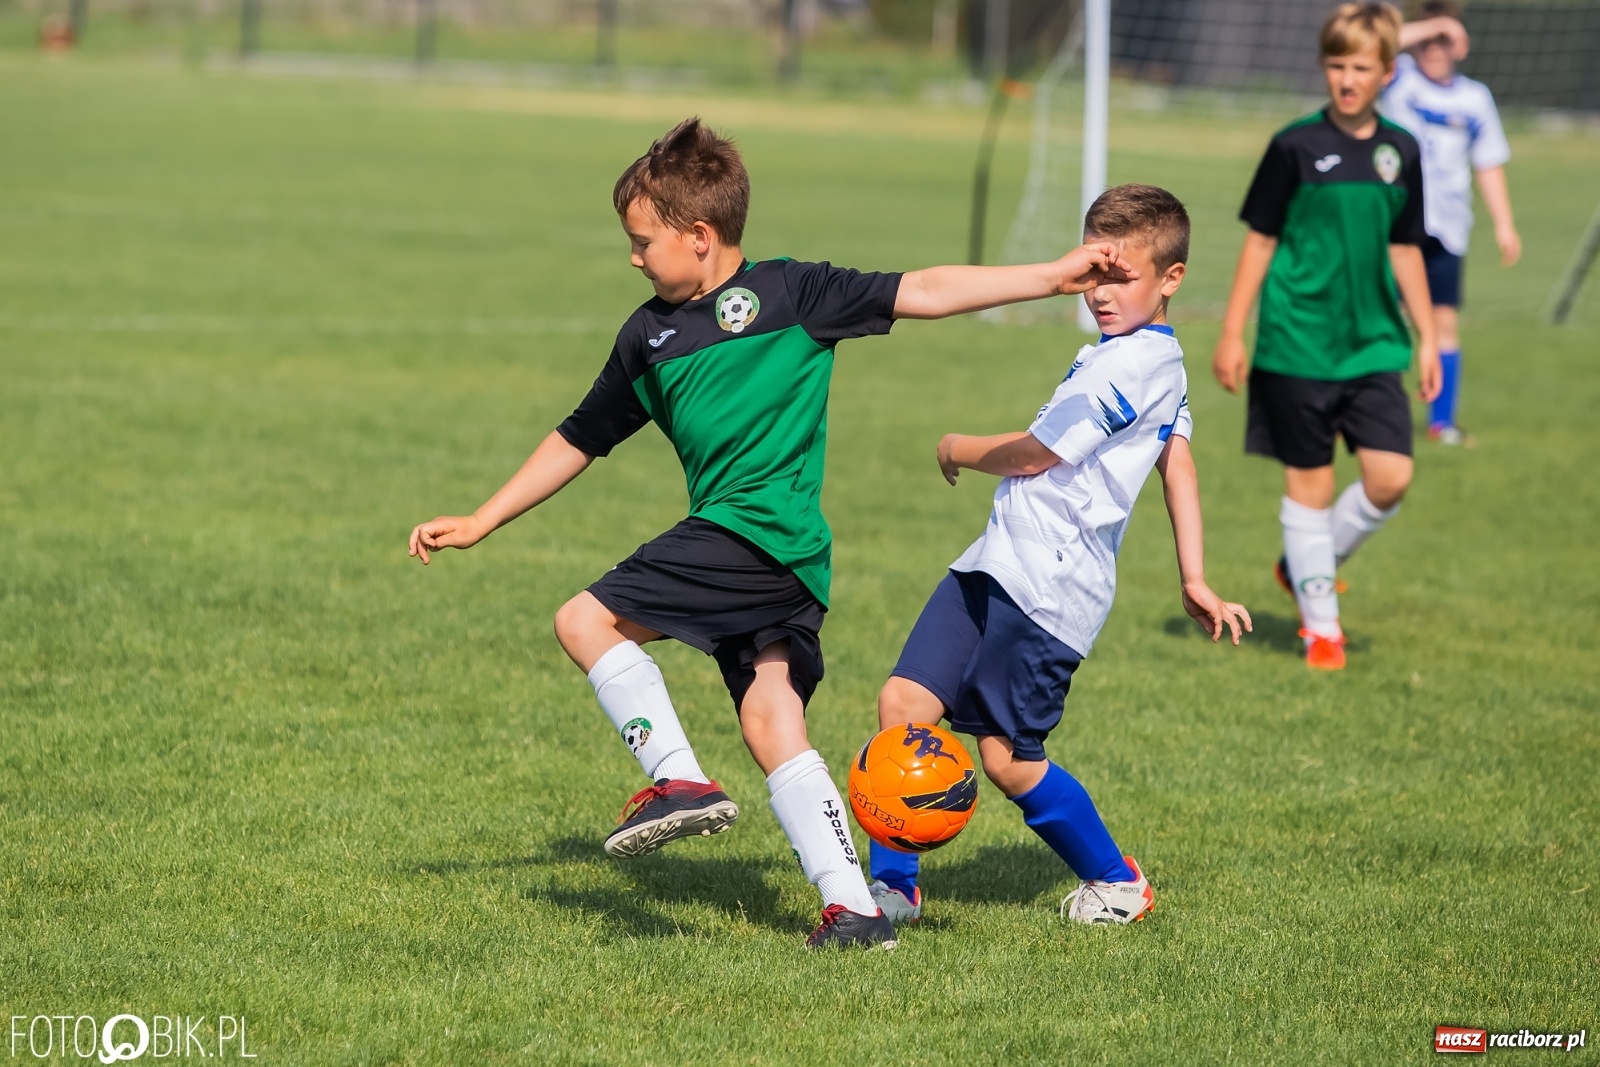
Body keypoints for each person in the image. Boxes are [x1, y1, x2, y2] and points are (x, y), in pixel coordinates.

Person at [406, 117, 1143, 950]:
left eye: (643, 242)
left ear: (699, 235)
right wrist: (484, 517)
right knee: (770, 719)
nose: (635, 258)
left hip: (749, 535)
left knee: (583, 619)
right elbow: (582, 435)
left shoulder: (798, 294)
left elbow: (926, 288)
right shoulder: (645, 337)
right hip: (794, 564)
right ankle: (858, 912)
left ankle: (678, 778)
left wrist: (1052, 277)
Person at [867, 184, 1250, 928]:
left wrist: (957, 447)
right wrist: (1194, 576)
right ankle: (894, 886)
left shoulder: (1132, 366)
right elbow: (1181, 461)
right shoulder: (1142, 358)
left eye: (1123, 276)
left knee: (1008, 758)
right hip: (996, 561)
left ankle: (1118, 882)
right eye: (1096, 272)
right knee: (904, 706)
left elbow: (1038, 455)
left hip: (1049, 587)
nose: (1102, 293)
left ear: (1171, 278)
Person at [1213, 2, 1441, 672]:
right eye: (1337, 65)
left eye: (1361, 67)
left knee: (1391, 476)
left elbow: (1405, 251)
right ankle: (1322, 630)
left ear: (1387, 73)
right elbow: (1261, 240)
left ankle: (1304, 565)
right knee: (1308, 486)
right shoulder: (1293, 146)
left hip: (1373, 344)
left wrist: (1427, 337)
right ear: (1323, 67)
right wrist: (1233, 331)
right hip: (1295, 342)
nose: (1347, 78)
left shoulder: (1402, 150)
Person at [1384, 0, 1522, 445]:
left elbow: (1488, 163)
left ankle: (1441, 423)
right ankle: (1377, 413)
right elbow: (1372, 44)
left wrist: (1504, 224)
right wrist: (1432, 25)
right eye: (1428, 38)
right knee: (1386, 316)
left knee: (1442, 323)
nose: (1434, 47)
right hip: (1394, 224)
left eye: (1444, 39)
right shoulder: (1399, 77)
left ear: (1461, 45)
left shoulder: (1474, 98)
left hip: (1448, 226)